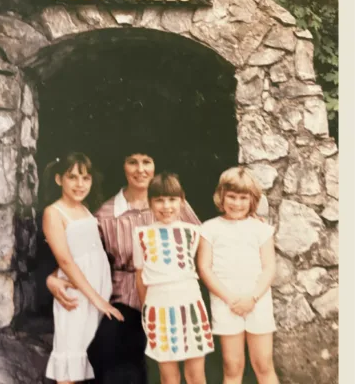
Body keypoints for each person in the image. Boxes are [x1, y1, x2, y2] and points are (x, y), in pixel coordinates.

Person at [46, 145, 200, 383]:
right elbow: (83, 252)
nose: (140, 169)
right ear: (123, 166)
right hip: (123, 301)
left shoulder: (173, 205)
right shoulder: (105, 214)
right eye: (132, 162)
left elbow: (203, 244)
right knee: (114, 357)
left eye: (147, 161)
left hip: (168, 298)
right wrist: (52, 277)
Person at [42, 151, 124, 384]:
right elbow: (66, 260)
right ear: (59, 180)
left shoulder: (86, 209)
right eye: (72, 177)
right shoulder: (54, 212)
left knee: (85, 356)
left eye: (85, 178)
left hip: (97, 288)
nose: (80, 184)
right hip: (78, 292)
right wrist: (97, 299)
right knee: (71, 358)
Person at [197, 167, 279, 384]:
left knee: (263, 364)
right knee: (232, 366)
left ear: (252, 200)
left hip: (257, 301)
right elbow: (205, 268)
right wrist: (231, 299)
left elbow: (269, 267)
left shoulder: (261, 229)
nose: (237, 203)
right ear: (221, 196)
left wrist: (251, 297)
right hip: (226, 303)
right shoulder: (210, 228)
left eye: (243, 198)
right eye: (231, 197)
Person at [133, 172, 214, 384]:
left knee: (195, 374)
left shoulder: (195, 231)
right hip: (157, 309)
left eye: (172, 199)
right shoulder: (141, 234)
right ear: (149, 203)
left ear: (182, 200)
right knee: (169, 376)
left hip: (190, 306)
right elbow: (140, 277)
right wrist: (146, 310)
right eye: (159, 200)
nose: (166, 206)